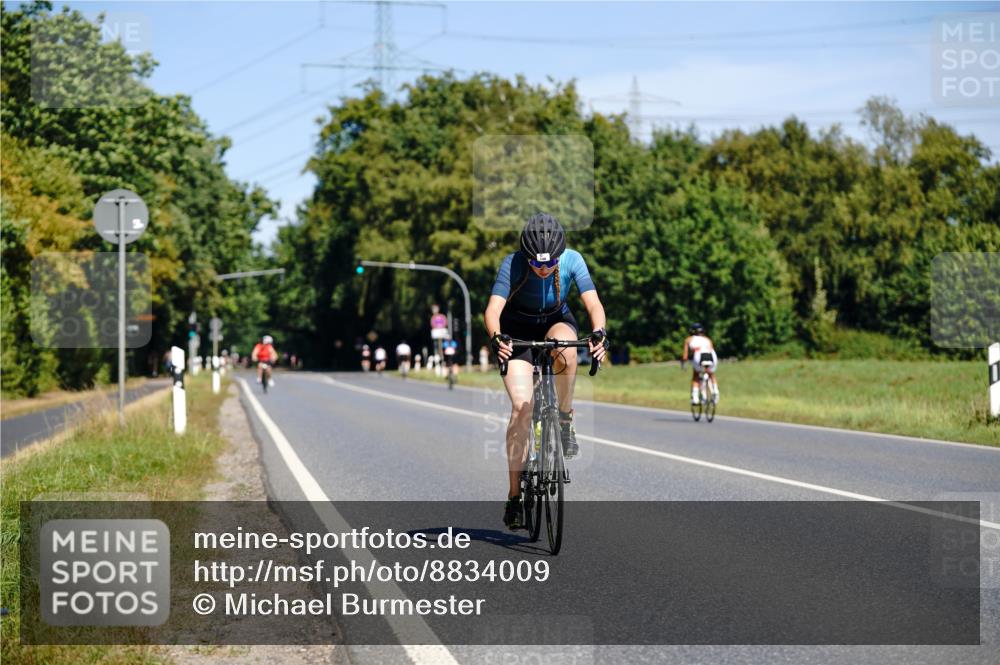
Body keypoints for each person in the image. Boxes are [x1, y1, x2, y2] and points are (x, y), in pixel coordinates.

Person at [484, 212, 608, 530]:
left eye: (549, 264)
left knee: (566, 350)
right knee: (521, 409)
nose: (542, 269)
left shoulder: (573, 259)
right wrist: (497, 337)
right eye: (536, 264)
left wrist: (599, 332)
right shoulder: (512, 264)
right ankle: (514, 497)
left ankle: (564, 417)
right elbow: (493, 310)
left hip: (555, 320)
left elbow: (593, 303)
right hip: (517, 330)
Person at [681, 323, 719, 404]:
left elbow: (685, 355)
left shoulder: (689, 339)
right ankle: (715, 391)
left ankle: (695, 398)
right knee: (711, 374)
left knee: (696, 375)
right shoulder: (707, 339)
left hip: (698, 354)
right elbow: (711, 348)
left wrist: (684, 364)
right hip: (711, 354)